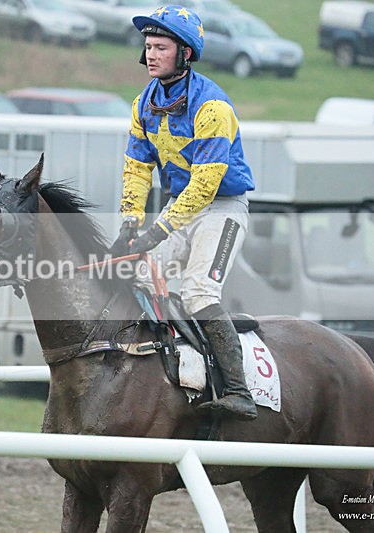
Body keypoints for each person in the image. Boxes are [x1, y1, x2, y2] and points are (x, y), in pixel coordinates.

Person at [110, 5, 257, 420]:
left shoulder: (213, 107)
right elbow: (137, 167)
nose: (150, 54)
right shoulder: (144, 102)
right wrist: (129, 222)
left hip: (222, 208)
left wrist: (156, 231)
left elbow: (205, 185)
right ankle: (171, 367)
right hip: (181, 207)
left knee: (198, 293)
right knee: (135, 276)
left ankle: (238, 389)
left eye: (160, 47)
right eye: (148, 46)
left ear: (185, 53)